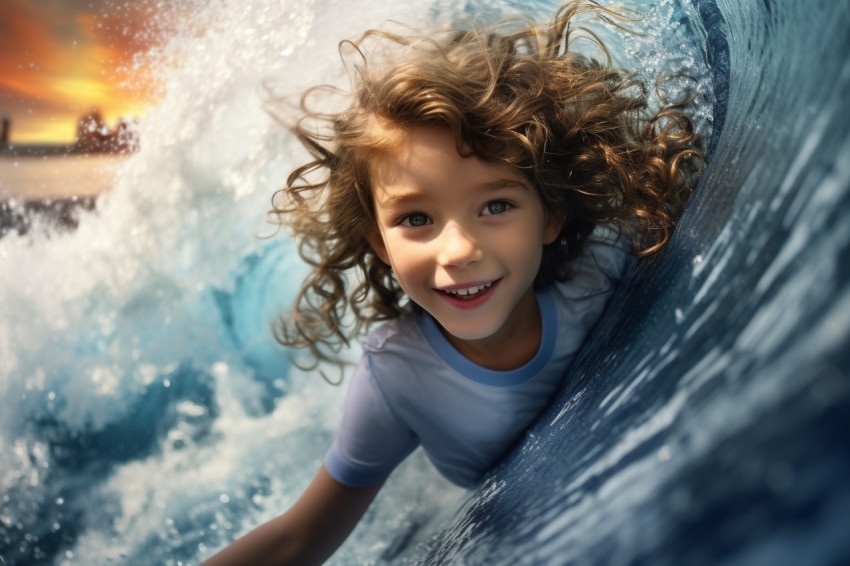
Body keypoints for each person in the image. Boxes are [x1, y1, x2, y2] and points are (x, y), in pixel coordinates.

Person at [203, 1, 702, 564]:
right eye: (416, 219)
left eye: (496, 205)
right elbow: (298, 538)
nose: (460, 250)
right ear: (377, 240)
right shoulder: (400, 378)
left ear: (552, 214)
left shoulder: (605, 262)